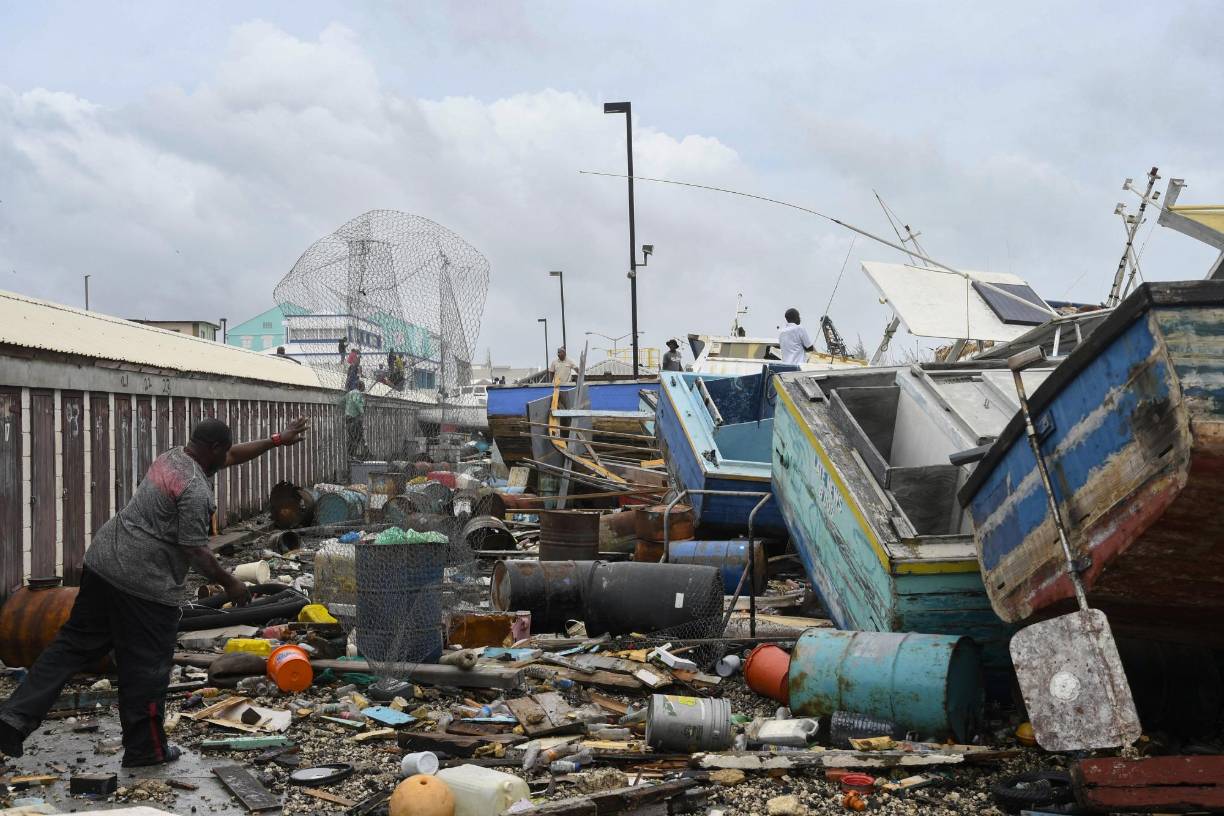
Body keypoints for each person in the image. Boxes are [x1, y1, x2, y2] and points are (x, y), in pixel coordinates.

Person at [0, 416, 309, 767]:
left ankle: (14, 718)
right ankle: (146, 750)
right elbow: (195, 550)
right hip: (143, 586)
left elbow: (232, 455)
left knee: (70, 647)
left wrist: (276, 440)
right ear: (213, 449)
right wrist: (231, 583)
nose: (228, 458)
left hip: (103, 564)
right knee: (146, 667)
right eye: (224, 450)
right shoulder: (194, 489)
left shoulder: (173, 457)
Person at [345, 381, 367, 458]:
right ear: (361, 387)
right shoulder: (358, 393)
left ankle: (350, 454)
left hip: (348, 418)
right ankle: (353, 454)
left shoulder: (349, 393)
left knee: (351, 437)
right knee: (357, 437)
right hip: (355, 418)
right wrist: (362, 412)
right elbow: (358, 404)